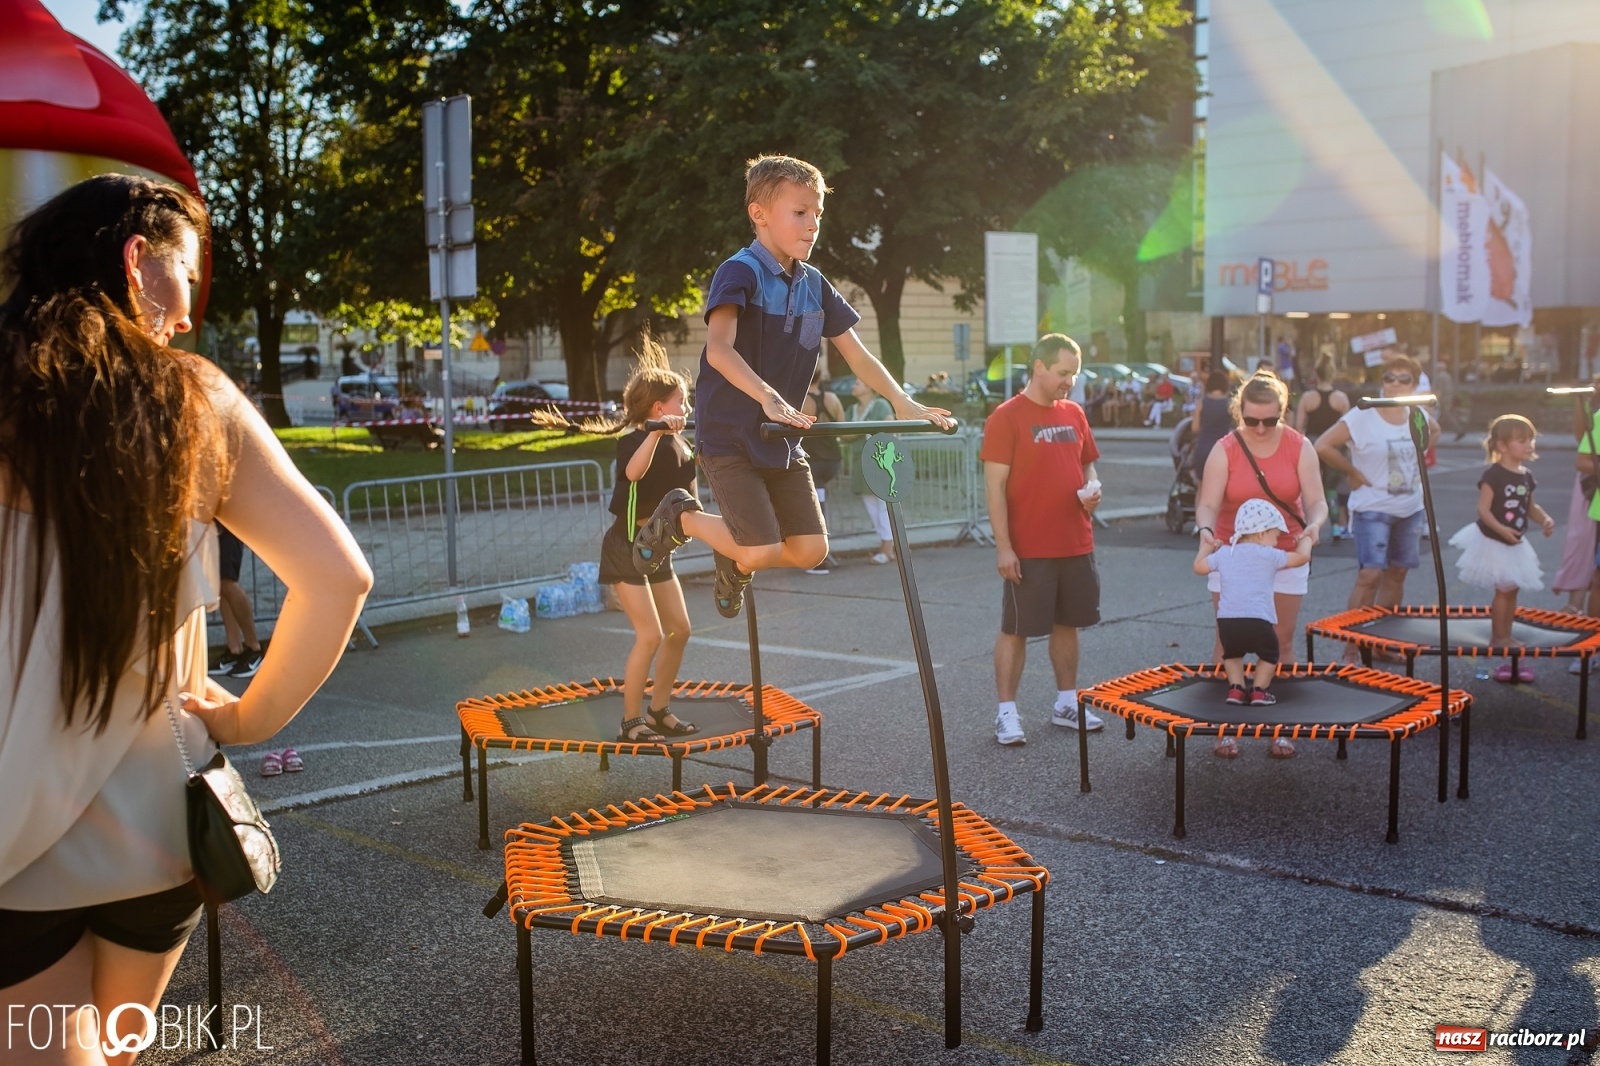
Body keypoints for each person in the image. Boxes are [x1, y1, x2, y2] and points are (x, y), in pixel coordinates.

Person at [0, 174, 371, 1058]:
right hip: (160, 823)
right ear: (138, 261)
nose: (189, 312)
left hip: (14, 832)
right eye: (186, 277)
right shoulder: (194, 401)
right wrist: (246, 716)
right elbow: (339, 578)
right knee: (120, 1051)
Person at [630, 154, 951, 617]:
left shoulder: (815, 284)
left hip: (782, 437)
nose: (812, 224)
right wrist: (768, 396)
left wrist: (901, 401)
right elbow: (719, 349)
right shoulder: (740, 271)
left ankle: (736, 552)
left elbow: (856, 352)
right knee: (759, 551)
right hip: (731, 436)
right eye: (800, 212)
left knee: (810, 551)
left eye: (817, 213)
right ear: (758, 214)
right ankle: (682, 517)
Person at [1194, 368, 1330, 759]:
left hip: (1285, 551)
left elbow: (1317, 500)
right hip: (1234, 555)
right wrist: (1205, 529)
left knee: (1281, 640)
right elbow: (1207, 501)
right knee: (1228, 642)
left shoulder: (1299, 446)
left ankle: (1278, 727)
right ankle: (1226, 726)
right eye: (1251, 420)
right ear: (1240, 413)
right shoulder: (1226, 448)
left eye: (1269, 420)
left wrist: (1315, 526)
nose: (1259, 427)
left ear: (1282, 413)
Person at [981, 334, 1104, 746]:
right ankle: (1006, 713)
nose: (1069, 381)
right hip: (1028, 547)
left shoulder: (1074, 414)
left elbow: (1088, 468)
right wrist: (1004, 546)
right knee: (1015, 629)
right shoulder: (1007, 416)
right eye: (1062, 373)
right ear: (1038, 367)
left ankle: (1067, 703)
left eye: (1074, 373)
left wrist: (1093, 490)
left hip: (1075, 542)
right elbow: (994, 488)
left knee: (1067, 624)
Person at [594, 339, 701, 742]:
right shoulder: (634, 442)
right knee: (651, 634)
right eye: (681, 402)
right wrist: (655, 435)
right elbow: (634, 475)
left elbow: (691, 498)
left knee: (681, 630)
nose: (686, 409)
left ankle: (658, 710)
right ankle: (631, 721)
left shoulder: (681, 441)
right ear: (659, 409)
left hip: (656, 551)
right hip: (626, 548)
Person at [1313, 354, 1439, 664]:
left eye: (1403, 379)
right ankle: (1351, 647)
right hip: (1372, 507)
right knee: (1369, 575)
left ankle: (1382, 643)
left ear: (1414, 384)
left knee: (1396, 574)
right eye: (1389, 378)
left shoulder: (1416, 412)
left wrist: (1419, 456)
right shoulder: (1364, 413)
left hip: (1409, 507)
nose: (1394, 383)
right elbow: (1323, 445)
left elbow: (1433, 431)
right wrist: (1352, 472)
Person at [1449, 414, 1554, 683]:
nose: (1529, 444)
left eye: (1530, 439)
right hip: (1495, 538)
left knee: (1513, 587)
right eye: (1521, 440)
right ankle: (1498, 635)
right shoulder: (1493, 474)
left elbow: (1530, 506)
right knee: (1504, 588)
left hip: (1514, 540)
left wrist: (1544, 519)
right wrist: (1501, 529)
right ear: (1502, 446)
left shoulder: (1526, 475)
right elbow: (1483, 509)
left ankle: (1506, 632)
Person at [1193, 499, 1314, 719]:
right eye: (1275, 535)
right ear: (1260, 534)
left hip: (1228, 622)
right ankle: (1259, 691)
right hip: (1258, 620)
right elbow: (1302, 558)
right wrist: (1305, 539)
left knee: (1231, 654)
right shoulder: (1269, 555)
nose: (1277, 541)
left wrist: (1207, 547)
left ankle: (1237, 689)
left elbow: (1199, 567)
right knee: (1269, 655)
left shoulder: (1225, 553)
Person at [1552, 382, 1600, 618]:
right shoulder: (1597, 415)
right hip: (1592, 499)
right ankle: (1591, 637)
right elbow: (1583, 459)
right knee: (1585, 549)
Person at [1294, 352, 1352, 539]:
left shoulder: (1308, 398)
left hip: (1312, 444)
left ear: (1316, 374)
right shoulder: (1341, 398)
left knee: (1309, 486)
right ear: (1333, 374)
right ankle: (1336, 526)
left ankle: (1311, 523)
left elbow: (1298, 427)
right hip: (1334, 447)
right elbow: (1348, 427)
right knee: (1331, 487)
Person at [800, 365, 846, 574]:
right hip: (833, 461)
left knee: (815, 511)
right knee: (819, 506)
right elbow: (845, 432)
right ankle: (822, 553)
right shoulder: (833, 399)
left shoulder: (800, 400)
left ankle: (819, 559)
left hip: (812, 462)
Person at [847, 377, 895, 564]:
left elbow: (889, 430)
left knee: (883, 504)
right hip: (860, 460)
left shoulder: (881, 405)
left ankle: (887, 547)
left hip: (879, 460)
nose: (853, 386)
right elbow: (846, 435)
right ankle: (887, 543)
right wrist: (863, 428)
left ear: (869, 387)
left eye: (857, 383)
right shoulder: (852, 410)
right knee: (870, 503)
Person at [208, 521, 265, 679]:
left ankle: (255, 648)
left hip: (229, 522)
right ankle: (234, 649)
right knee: (221, 583)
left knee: (228, 581)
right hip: (214, 523)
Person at [1188, 370, 1234, 478]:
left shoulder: (1202, 403)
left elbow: (1194, 428)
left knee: (1201, 486)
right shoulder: (1229, 404)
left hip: (1203, 447)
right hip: (1223, 450)